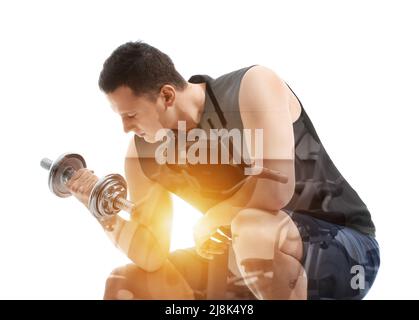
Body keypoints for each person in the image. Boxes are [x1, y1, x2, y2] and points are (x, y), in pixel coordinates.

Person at [66, 41, 380, 300]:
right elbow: (152, 254)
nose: (125, 129)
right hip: (239, 262)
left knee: (252, 230)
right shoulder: (142, 153)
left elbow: (276, 188)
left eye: (131, 114)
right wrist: (101, 210)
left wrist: (216, 216)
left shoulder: (253, 86)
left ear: (166, 96)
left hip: (344, 252)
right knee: (125, 287)